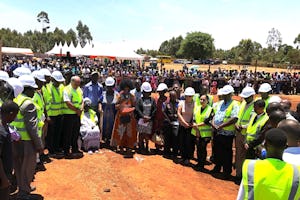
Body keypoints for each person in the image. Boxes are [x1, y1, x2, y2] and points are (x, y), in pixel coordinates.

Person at [237, 128, 300, 200]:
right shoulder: (297, 173)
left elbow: (241, 195)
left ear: (265, 145)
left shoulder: (251, 167)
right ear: (286, 147)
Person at [11, 75, 43, 199]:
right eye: (32, 89)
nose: (34, 91)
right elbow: (32, 128)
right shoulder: (28, 104)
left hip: (16, 139)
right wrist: (39, 145)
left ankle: (23, 188)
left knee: (18, 166)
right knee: (28, 168)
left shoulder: (16, 99)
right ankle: (24, 193)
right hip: (27, 141)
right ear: (27, 89)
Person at [211, 85, 239, 179]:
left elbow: (234, 118)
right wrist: (214, 123)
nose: (224, 96)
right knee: (217, 151)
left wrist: (221, 126)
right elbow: (215, 114)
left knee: (227, 153)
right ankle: (217, 166)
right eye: (224, 94)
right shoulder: (220, 103)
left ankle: (226, 171)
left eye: (226, 94)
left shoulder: (234, 104)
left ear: (231, 94)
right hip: (217, 131)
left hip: (227, 133)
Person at [110, 79, 137, 158]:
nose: (126, 89)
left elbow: (134, 105)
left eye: (127, 88)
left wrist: (131, 109)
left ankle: (129, 146)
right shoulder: (119, 95)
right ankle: (120, 146)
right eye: (125, 88)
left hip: (129, 116)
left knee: (129, 132)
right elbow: (116, 106)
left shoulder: (132, 96)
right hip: (121, 115)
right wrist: (121, 107)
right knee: (120, 132)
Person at [234, 86, 255, 183]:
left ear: (252, 96)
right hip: (239, 133)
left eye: (247, 97)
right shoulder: (243, 103)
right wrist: (237, 125)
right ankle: (238, 174)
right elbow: (238, 116)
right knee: (239, 154)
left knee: (247, 156)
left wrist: (243, 126)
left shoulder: (255, 106)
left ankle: (245, 176)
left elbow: (254, 121)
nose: (245, 98)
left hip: (247, 134)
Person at [0, 101, 19, 200]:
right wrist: (4, 179)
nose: (15, 118)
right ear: (11, 113)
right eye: (15, 115)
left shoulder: (5, 126)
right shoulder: (1, 131)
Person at [44, 71, 65, 158]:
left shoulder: (61, 87)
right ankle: (51, 150)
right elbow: (45, 102)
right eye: (57, 81)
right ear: (52, 80)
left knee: (58, 133)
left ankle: (56, 148)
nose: (58, 83)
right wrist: (47, 116)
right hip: (51, 115)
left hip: (60, 114)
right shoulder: (48, 88)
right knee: (51, 134)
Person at [62, 76, 84, 159]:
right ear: (72, 82)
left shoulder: (79, 89)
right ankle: (66, 150)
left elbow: (82, 100)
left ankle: (75, 148)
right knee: (68, 133)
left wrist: (81, 108)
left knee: (75, 132)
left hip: (77, 115)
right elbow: (67, 102)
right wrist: (77, 110)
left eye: (79, 83)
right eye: (76, 83)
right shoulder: (67, 89)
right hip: (69, 115)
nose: (78, 84)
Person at [192, 94, 214, 171]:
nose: (201, 101)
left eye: (203, 100)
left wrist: (196, 125)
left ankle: (202, 164)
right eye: (200, 99)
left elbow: (207, 121)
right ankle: (199, 163)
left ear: (207, 101)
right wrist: (195, 125)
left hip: (205, 134)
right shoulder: (197, 108)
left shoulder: (211, 109)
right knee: (198, 148)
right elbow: (194, 118)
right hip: (197, 132)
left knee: (203, 148)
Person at [135, 82, 156, 154]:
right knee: (141, 134)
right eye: (145, 92)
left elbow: (154, 109)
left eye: (148, 92)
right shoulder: (140, 100)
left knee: (147, 135)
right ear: (143, 92)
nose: (146, 93)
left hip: (149, 121)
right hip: (141, 120)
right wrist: (143, 117)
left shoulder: (152, 100)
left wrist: (150, 117)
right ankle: (141, 146)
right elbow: (137, 109)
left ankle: (147, 146)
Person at [178, 87, 195, 165]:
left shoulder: (195, 104)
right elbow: (179, 113)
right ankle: (183, 156)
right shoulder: (181, 103)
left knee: (189, 143)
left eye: (190, 96)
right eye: (187, 96)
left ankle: (188, 157)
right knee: (181, 142)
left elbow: (194, 115)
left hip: (190, 126)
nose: (188, 97)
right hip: (182, 125)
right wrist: (184, 123)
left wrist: (191, 123)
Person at [101, 77, 118, 146]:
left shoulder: (117, 95)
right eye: (108, 87)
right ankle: (105, 139)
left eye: (111, 87)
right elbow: (100, 102)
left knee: (112, 127)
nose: (109, 88)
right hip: (104, 115)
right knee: (104, 127)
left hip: (113, 115)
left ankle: (111, 140)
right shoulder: (103, 94)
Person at [163, 90, 180, 158]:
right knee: (167, 138)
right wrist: (169, 120)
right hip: (168, 123)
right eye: (172, 96)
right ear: (169, 97)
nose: (173, 98)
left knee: (175, 138)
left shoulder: (178, 103)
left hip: (176, 123)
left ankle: (175, 153)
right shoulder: (166, 104)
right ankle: (167, 152)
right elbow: (164, 112)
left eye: (174, 96)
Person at [152, 83, 168, 152]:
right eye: (159, 92)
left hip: (165, 120)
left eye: (161, 92)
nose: (160, 93)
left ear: (164, 91)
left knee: (164, 133)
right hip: (157, 120)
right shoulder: (156, 99)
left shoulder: (167, 100)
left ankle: (164, 147)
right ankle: (157, 147)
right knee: (157, 133)